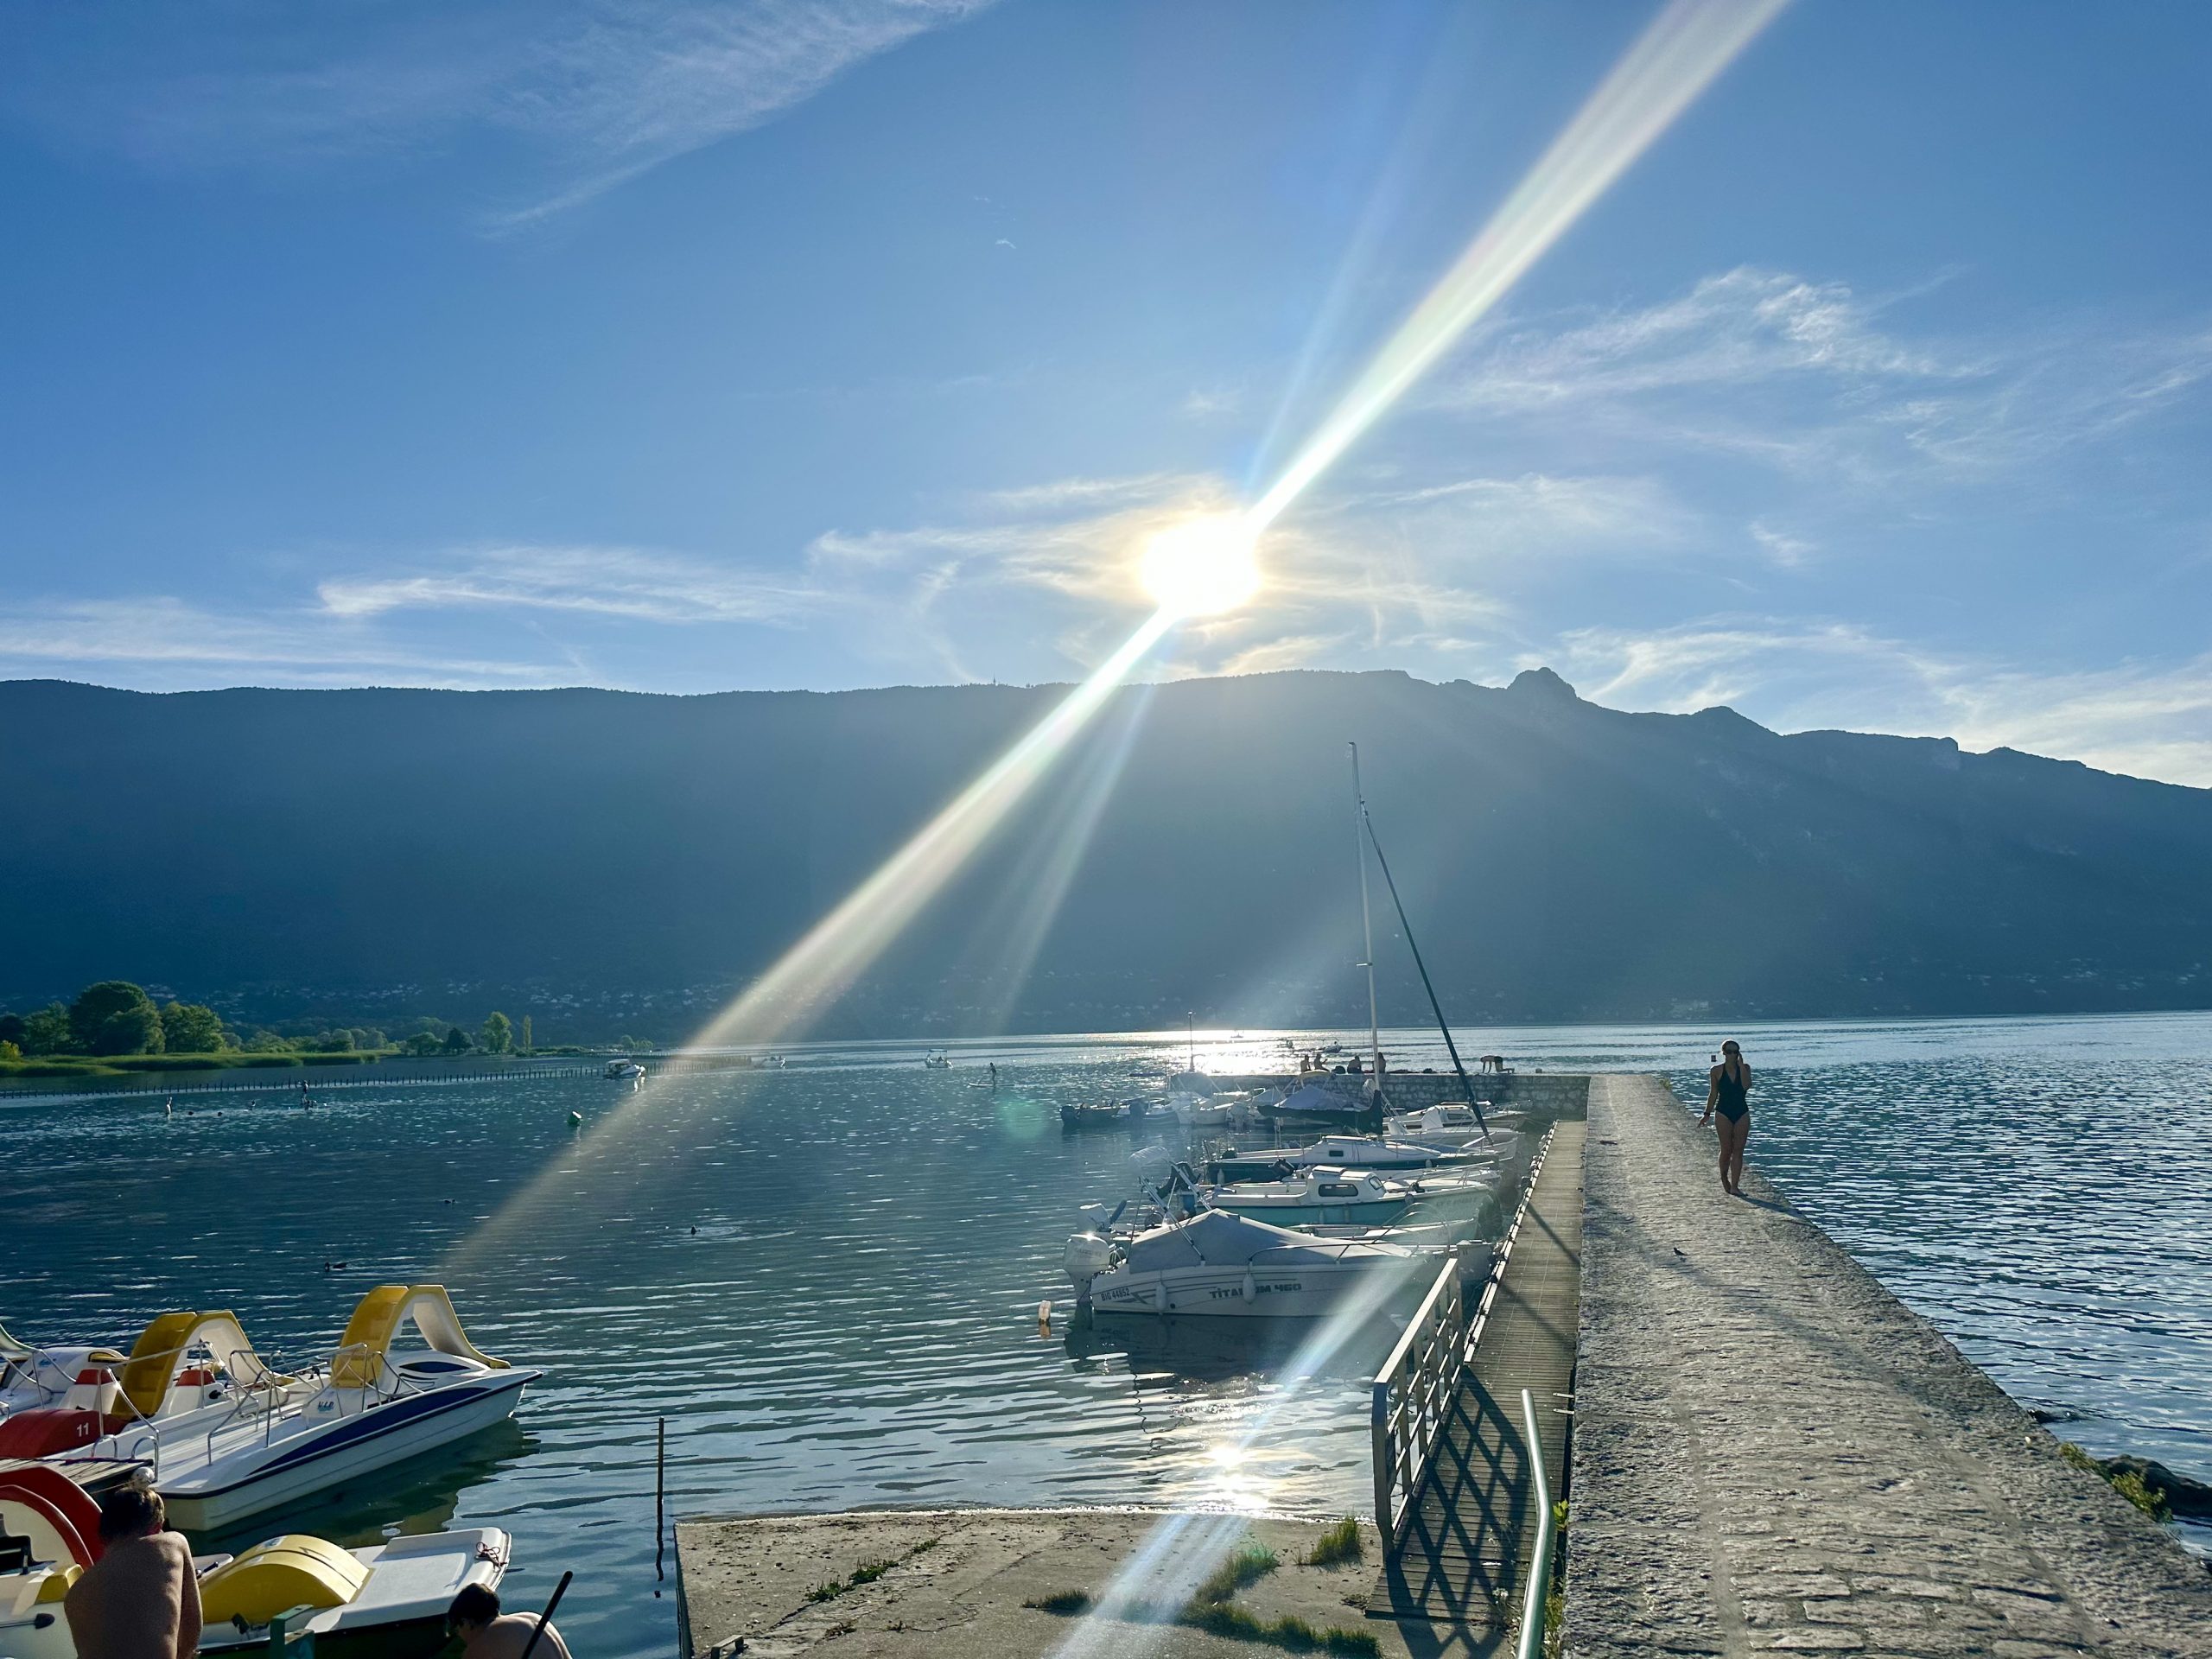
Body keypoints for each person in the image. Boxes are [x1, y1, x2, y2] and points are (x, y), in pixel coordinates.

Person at [64, 1475, 200, 1659]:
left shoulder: (76, 1593)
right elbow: (192, 1623)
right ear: (156, 1527)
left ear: (104, 1534)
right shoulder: (171, 1543)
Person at [448, 1584, 572, 1659]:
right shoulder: (532, 1617)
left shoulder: (485, 1640)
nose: (460, 1636)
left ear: (466, 1623)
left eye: (457, 1629)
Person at [1698, 1039, 1753, 1197]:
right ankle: (1724, 1178)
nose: (1732, 1055)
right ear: (1724, 1053)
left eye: (1735, 1052)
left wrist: (1741, 1066)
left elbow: (1746, 1086)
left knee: (1739, 1150)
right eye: (1729, 1052)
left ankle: (1735, 1186)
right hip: (1723, 1112)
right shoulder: (1716, 1071)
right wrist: (1706, 1114)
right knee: (1726, 1149)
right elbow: (1713, 1093)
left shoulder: (1745, 1068)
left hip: (1741, 1111)